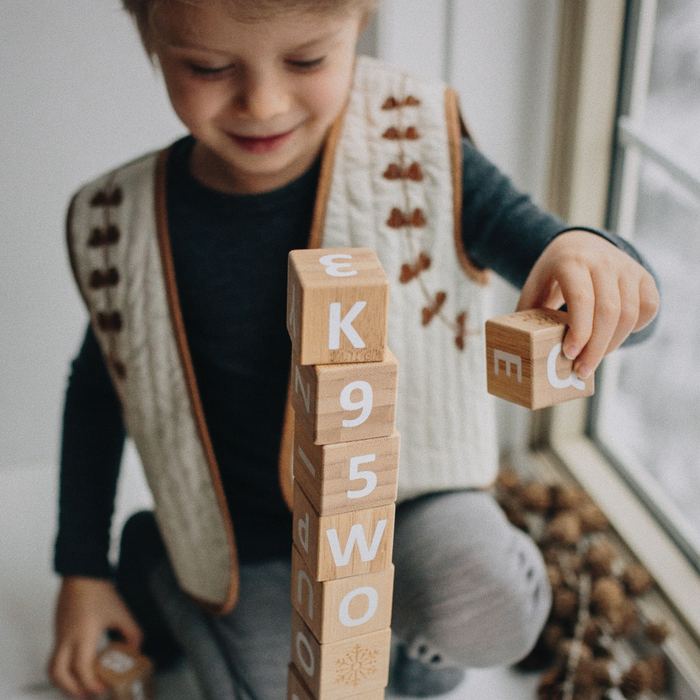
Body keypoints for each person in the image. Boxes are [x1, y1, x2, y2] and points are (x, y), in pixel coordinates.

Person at [48, 1, 661, 699]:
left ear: (360, 26)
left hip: (408, 502)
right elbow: (100, 397)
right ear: (153, 42)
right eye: (208, 67)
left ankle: (405, 638)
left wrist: (595, 261)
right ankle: (158, 561)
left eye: (307, 60)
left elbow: (620, 317)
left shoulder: (422, 155)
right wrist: (82, 568)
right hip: (245, 537)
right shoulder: (120, 224)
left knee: (479, 615)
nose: (263, 102)